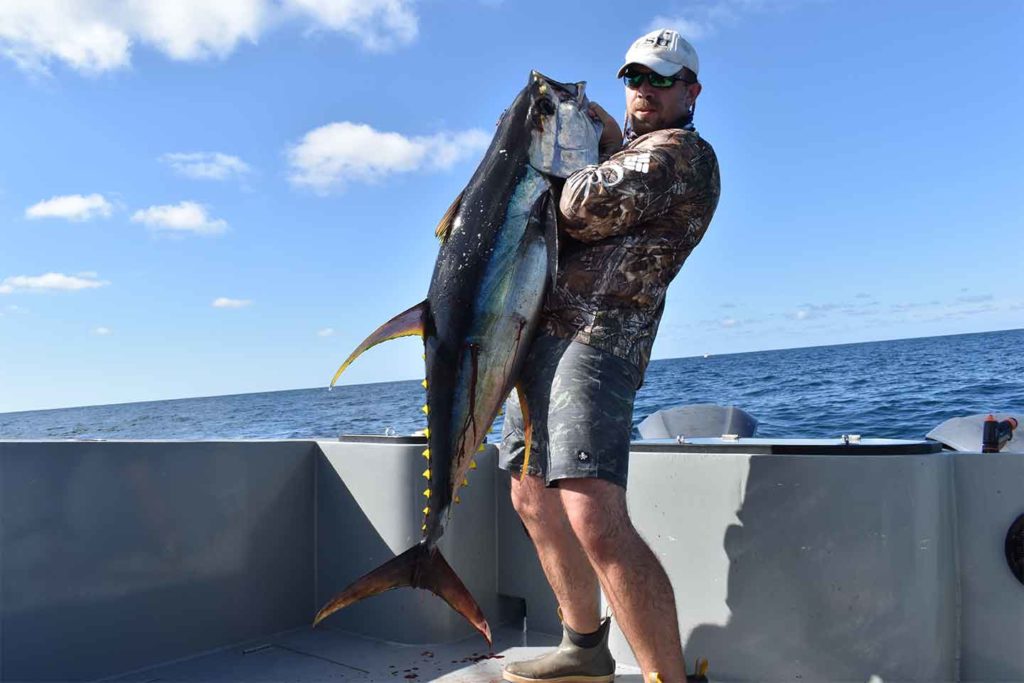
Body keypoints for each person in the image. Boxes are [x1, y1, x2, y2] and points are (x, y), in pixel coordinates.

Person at [499, 28, 721, 683]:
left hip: (600, 344)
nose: (644, 91)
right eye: (634, 78)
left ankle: (665, 677)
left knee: (593, 512)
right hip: (540, 341)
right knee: (531, 496)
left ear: (691, 91)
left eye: (661, 78)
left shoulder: (680, 154)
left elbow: (574, 204)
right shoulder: (624, 151)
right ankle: (584, 646)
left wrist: (577, 149)